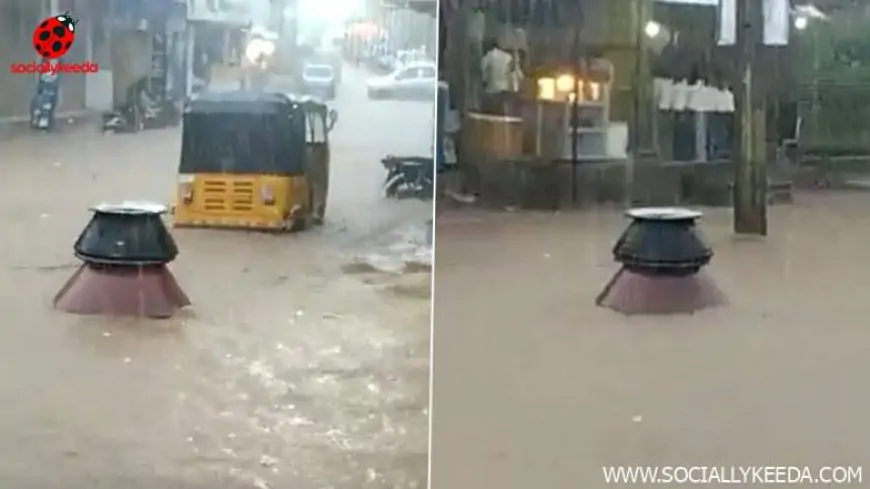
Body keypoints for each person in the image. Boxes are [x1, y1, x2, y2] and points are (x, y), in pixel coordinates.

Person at [480, 40, 522, 115]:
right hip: (505, 89)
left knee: (491, 112)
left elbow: (483, 72)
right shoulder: (508, 57)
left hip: (491, 89)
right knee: (503, 109)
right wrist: (514, 89)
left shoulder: (487, 56)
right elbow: (512, 73)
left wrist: (484, 82)